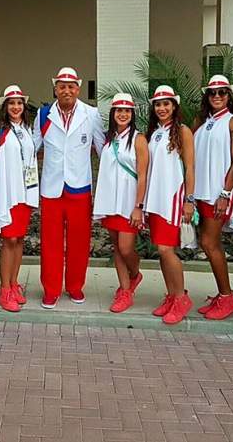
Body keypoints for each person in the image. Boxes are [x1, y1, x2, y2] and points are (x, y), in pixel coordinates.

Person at [33, 67, 104, 308]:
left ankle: (75, 286)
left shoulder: (91, 114)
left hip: (79, 186)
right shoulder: (43, 115)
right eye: (62, 86)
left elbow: (103, 150)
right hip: (51, 188)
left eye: (71, 86)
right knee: (50, 241)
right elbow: (30, 149)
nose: (66, 90)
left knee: (79, 241)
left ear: (78, 88)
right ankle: (51, 289)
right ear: (55, 89)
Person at [193, 74, 233, 320]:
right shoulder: (202, 123)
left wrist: (225, 193)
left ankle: (227, 296)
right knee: (207, 243)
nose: (217, 96)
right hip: (202, 194)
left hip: (219, 194)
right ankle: (223, 294)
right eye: (213, 93)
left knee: (210, 243)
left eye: (222, 92)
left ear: (229, 96)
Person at [0, 85, 39, 312]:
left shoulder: (26, 128)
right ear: (4, 107)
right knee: (9, 240)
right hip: (6, 193)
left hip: (24, 193)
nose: (16, 107)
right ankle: (4, 289)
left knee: (20, 239)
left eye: (19, 103)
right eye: (11, 103)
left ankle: (15, 284)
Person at [143, 85, 195, 325]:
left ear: (174, 106)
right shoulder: (154, 133)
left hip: (173, 198)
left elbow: (190, 167)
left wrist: (189, 199)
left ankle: (181, 297)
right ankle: (171, 296)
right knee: (161, 252)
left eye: (166, 104)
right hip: (155, 199)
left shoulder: (182, 130)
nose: (162, 108)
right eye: (158, 104)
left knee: (167, 250)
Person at [93, 94, 149, 313]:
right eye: (118, 110)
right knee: (117, 248)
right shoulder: (108, 140)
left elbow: (143, 176)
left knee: (126, 248)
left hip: (128, 203)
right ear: (113, 113)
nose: (122, 114)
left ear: (132, 114)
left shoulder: (138, 139)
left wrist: (138, 206)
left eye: (126, 111)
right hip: (110, 202)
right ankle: (124, 290)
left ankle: (135, 275)